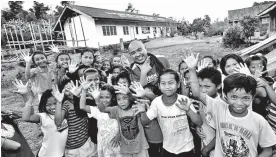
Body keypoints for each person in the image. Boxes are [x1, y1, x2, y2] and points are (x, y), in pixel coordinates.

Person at [183, 52, 276, 157]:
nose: (239, 103)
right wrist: (191, 69)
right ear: (225, 96)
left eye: (245, 98)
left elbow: (267, 150)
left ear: (252, 97)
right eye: (234, 97)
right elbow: (196, 93)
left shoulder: (259, 121)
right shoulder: (219, 107)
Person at [135, 69, 203, 157]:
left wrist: (188, 110)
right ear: (159, 86)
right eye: (163, 83)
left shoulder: (184, 100)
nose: (167, 86)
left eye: (171, 83)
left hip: (188, 147)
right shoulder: (156, 102)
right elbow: (145, 122)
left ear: (178, 84)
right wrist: (143, 112)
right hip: (168, 148)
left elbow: (199, 122)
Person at [13, 79, 68, 157]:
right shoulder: (43, 116)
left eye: (55, 103)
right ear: (43, 105)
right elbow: (26, 117)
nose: (52, 107)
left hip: (62, 154)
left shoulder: (65, 114)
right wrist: (28, 97)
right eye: (48, 104)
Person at [98, 91, 149, 157]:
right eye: (118, 99)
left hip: (141, 147)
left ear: (130, 99)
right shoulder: (116, 109)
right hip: (126, 149)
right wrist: (97, 98)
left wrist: (143, 112)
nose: (122, 102)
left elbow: (146, 122)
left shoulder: (136, 107)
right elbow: (103, 109)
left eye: (125, 98)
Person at [79, 82, 122, 157]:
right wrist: (84, 90)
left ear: (113, 98)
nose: (104, 100)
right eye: (101, 97)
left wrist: (119, 135)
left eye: (107, 97)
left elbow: (123, 124)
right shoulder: (97, 110)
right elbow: (82, 107)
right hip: (104, 145)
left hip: (117, 144)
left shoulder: (117, 109)